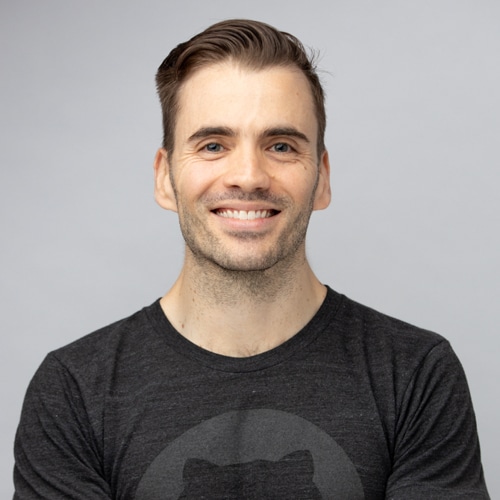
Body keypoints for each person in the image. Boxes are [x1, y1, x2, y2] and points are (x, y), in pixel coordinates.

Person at [13, 19, 489, 499]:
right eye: (213, 145)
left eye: (280, 146)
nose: (248, 175)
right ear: (164, 177)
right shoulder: (73, 390)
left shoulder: (414, 374)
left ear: (321, 178)